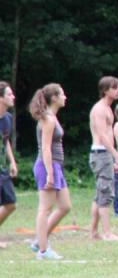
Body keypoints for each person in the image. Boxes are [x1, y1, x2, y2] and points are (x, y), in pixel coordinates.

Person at [30, 83, 71, 260]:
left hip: (55, 166)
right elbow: (46, 148)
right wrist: (50, 173)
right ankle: (43, 250)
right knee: (45, 209)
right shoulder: (48, 118)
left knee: (65, 206)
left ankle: (39, 240)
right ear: (54, 98)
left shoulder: (52, 116)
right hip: (47, 166)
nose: (65, 97)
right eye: (62, 94)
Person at [88, 76, 118, 242]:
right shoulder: (99, 109)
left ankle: (94, 232)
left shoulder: (108, 108)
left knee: (100, 194)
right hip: (101, 153)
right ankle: (107, 233)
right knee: (106, 194)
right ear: (105, 90)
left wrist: (113, 158)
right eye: (114, 88)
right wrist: (116, 156)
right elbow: (102, 135)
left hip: (105, 155)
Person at [0, 82, 18, 248]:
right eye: (9, 94)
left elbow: (5, 142)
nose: (13, 97)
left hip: (2, 168)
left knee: (11, 204)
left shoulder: (7, 118)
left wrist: (12, 162)